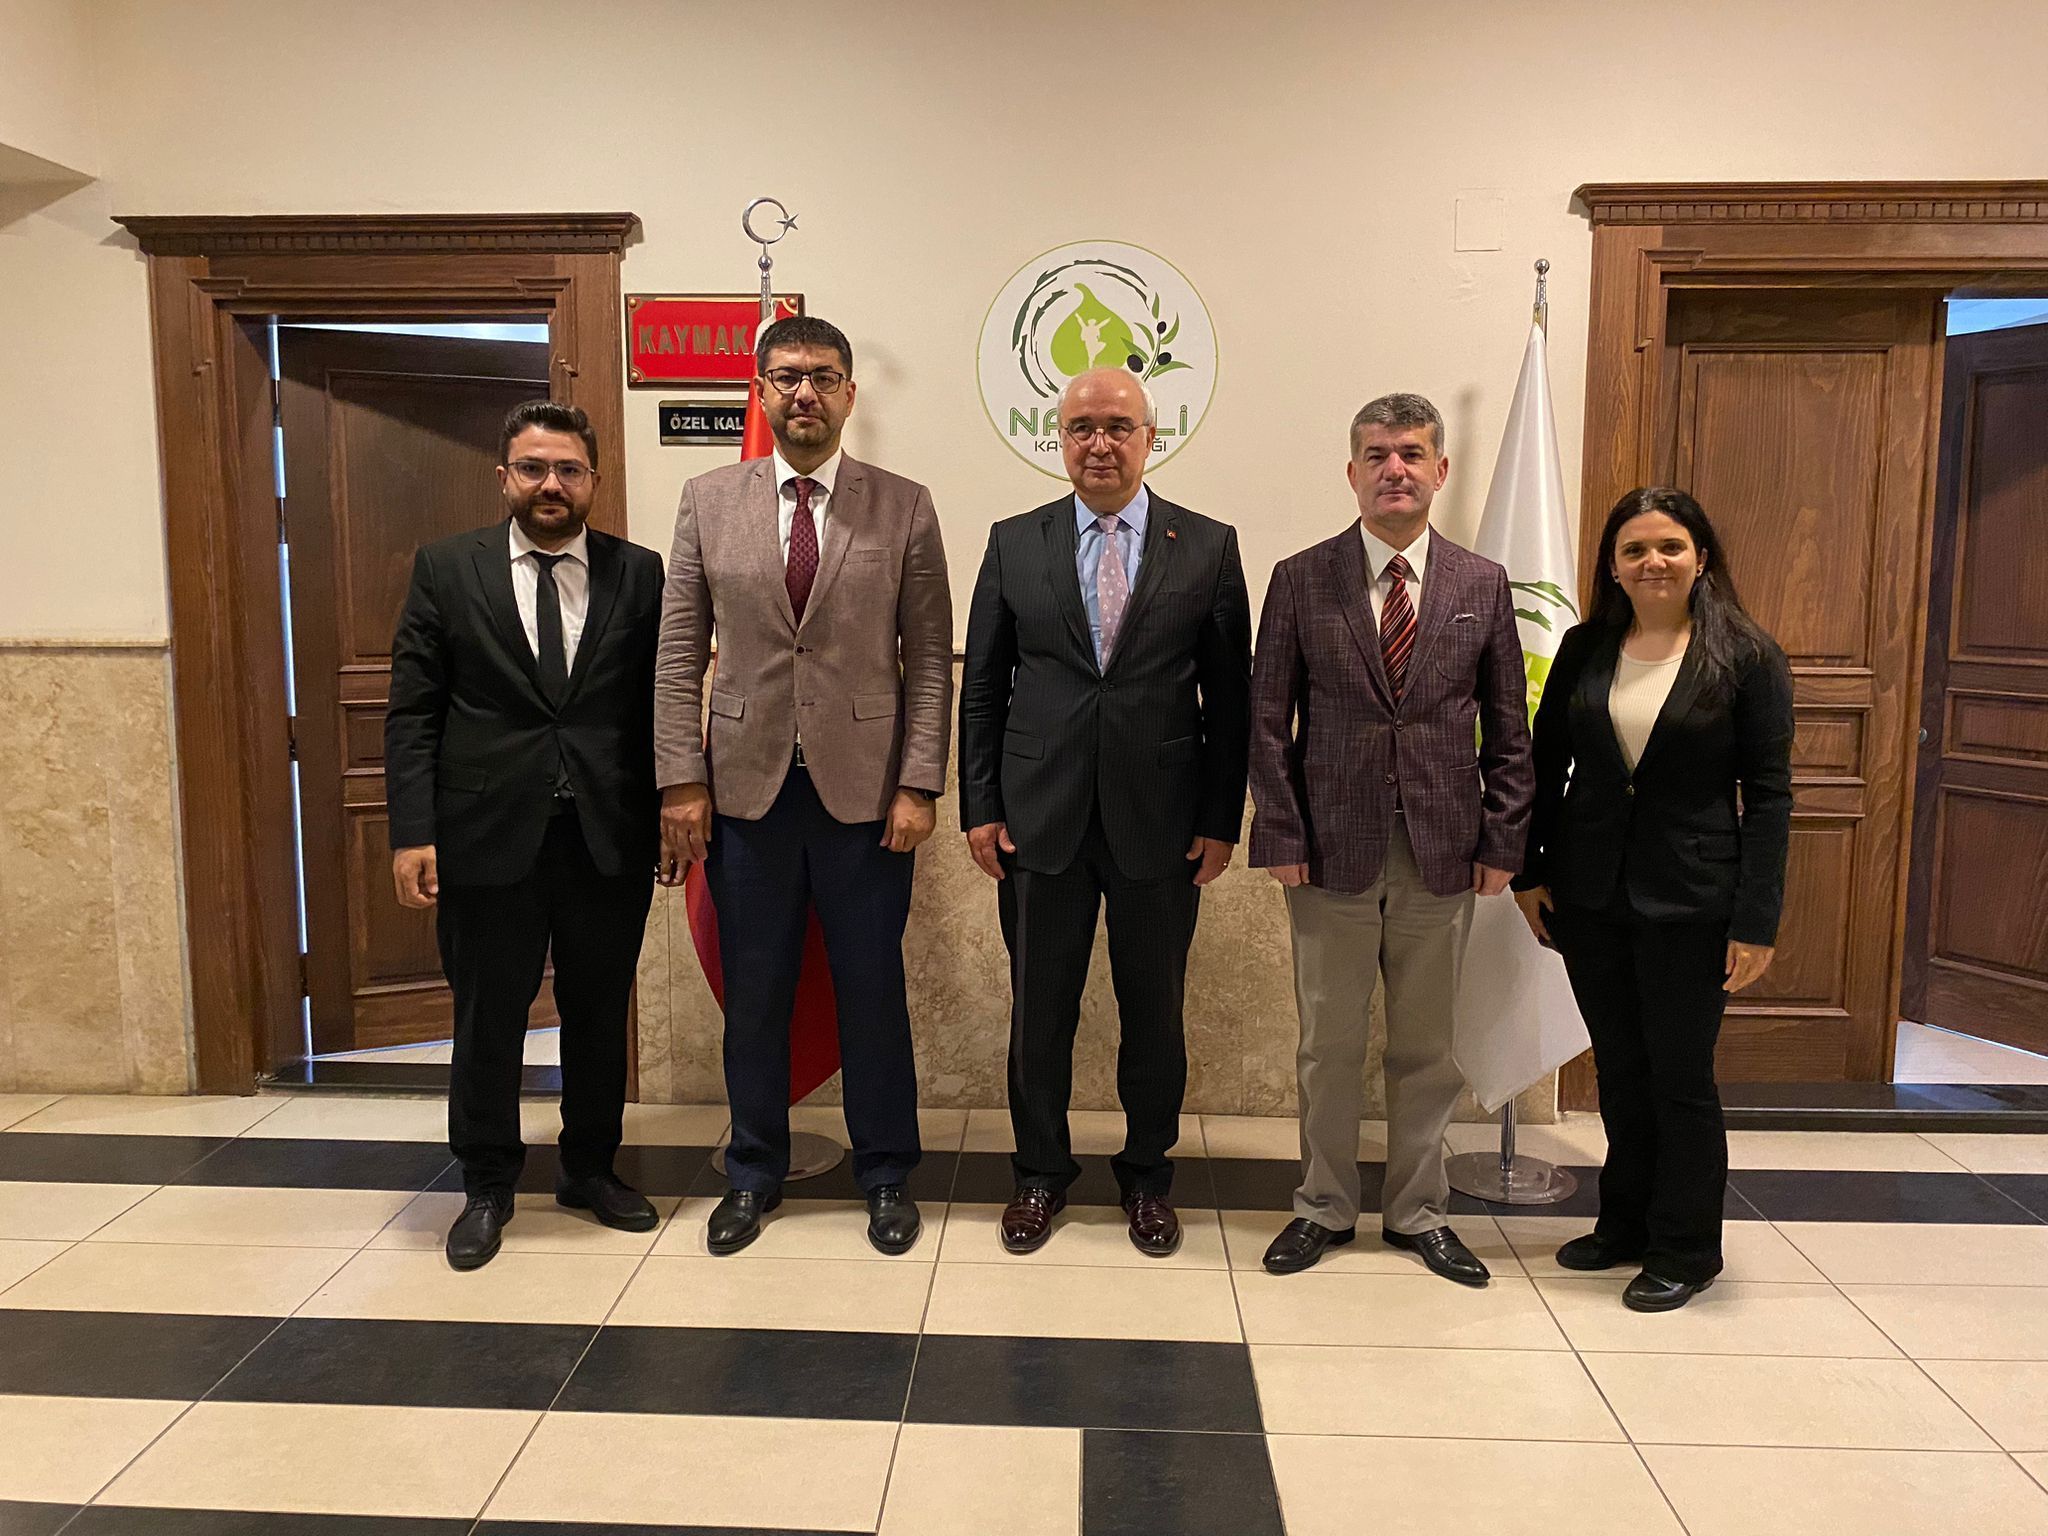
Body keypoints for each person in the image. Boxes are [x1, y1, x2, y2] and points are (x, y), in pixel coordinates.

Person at [656, 315, 953, 1257]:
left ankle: (887, 1172)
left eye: (823, 376)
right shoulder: (707, 500)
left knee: (872, 990)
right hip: (743, 797)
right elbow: (677, 654)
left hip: (866, 799)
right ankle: (753, 1171)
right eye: (786, 377)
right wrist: (680, 780)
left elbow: (929, 662)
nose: (804, 393)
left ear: (850, 394)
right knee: (756, 994)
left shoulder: (903, 506)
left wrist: (920, 784)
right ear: (761, 391)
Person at [959, 366, 1252, 1258]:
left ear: (1150, 438)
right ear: (1060, 438)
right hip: (1036, 820)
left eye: (1118, 427)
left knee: (1154, 1015)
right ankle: (1039, 1174)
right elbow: (984, 689)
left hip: (1161, 824)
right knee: (1038, 1014)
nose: (1099, 444)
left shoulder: (1208, 546)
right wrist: (979, 806)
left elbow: (1229, 700)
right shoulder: (1015, 541)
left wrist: (1220, 820)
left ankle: (1148, 1178)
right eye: (1082, 427)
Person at [1249, 393, 1532, 1284]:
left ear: (1440, 470)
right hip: (1327, 851)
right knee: (1327, 1045)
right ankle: (1323, 1207)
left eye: (1411, 453)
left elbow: (1508, 725)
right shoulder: (1301, 578)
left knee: (1427, 1049)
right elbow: (1267, 721)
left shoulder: (1481, 584)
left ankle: (1418, 1213)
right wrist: (1279, 828)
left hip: (1443, 852)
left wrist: (1503, 839)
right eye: (1377, 455)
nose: (1395, 469)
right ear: (1352, 472)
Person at [386, 400, 665, 1271]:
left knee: (597, 1012)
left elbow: (656, 706)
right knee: (490, 1015)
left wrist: (672, 809)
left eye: (569, 470)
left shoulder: (640, 573)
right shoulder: (447, 568)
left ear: (592, 480)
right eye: (535, 468)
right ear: (504, 476)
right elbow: (413, 711)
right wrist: (412, 832)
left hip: (606, 835)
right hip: (484, 835)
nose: (552, 484)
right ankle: (485, 1183)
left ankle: (591, 1168)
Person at [1514, 486, 1793, 1311]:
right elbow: (1544, 763)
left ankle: (1686, 1248)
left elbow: (1769, 796)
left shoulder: (1746, 656)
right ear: (1613, 565)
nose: (1653, 562)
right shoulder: (1587, 646)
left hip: (1693, 901)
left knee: (1680, 1078)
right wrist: (1530, 872)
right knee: (1621, 1070)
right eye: (1634, 549)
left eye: (1669, 546)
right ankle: (1625, 1225)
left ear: (1701, 557)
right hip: (1590, 895)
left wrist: (1757, 921)